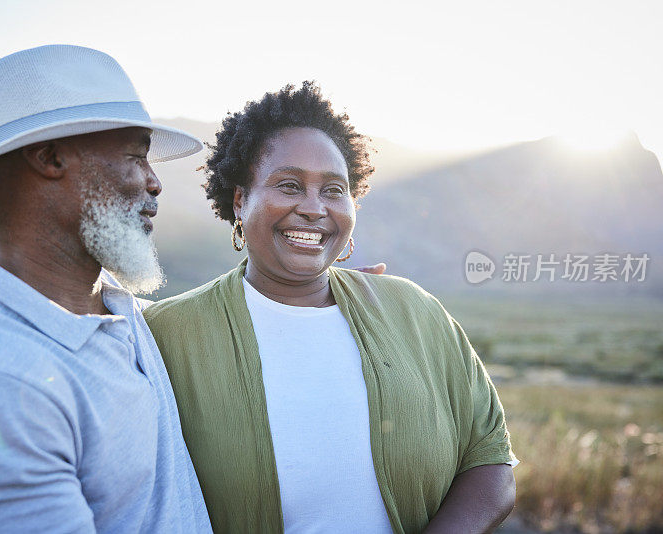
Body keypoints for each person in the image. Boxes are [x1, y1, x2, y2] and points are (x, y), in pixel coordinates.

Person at [144, 81, 519, 533]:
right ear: (240, 200)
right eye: (289, 185)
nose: (313, 208)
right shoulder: (166, 336)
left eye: (334, 190)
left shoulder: (415, 313)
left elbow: (491, 461)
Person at [0, 45, 212, 533]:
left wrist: (338, 292)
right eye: (136, 156)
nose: (154, 183)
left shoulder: (115, 311)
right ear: (50, 156)